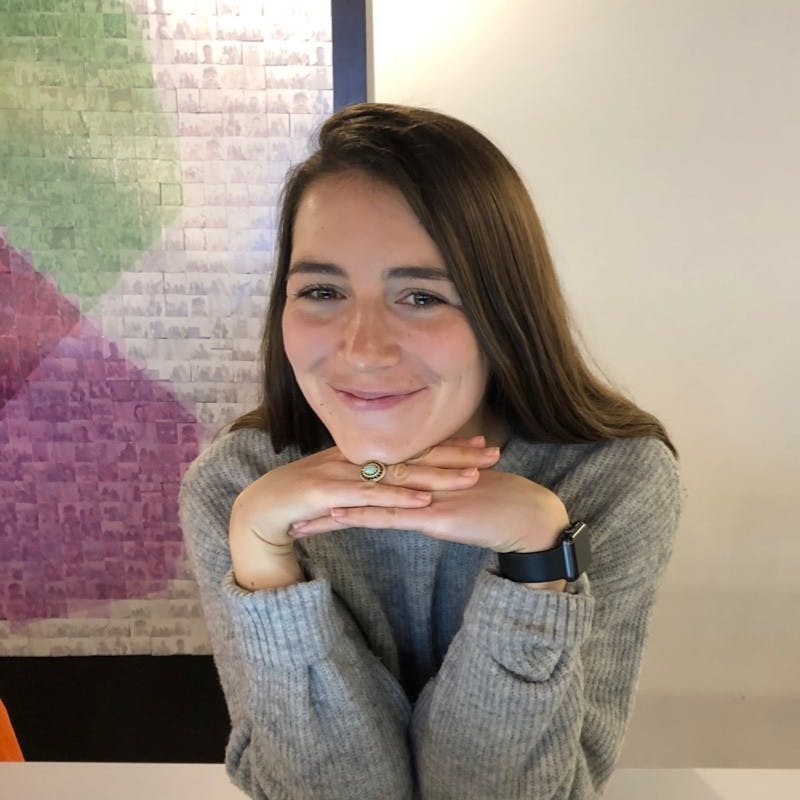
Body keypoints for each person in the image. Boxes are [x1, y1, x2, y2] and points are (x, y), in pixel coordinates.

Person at [179, 102, 684, 800]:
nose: (362, 349)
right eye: (321, 290)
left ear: (504, 312)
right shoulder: (240, 485)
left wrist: (538, 560)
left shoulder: (614, 480)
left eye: (420, 297)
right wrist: (262, 558)